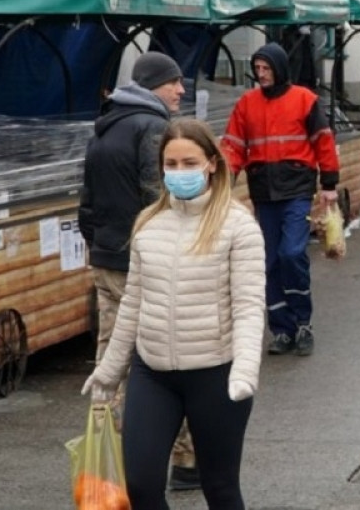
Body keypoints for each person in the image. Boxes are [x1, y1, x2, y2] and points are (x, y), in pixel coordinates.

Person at [81, 118, 266, 510]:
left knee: (220, 487)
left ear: (212, 164)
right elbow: (132, 304)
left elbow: (249, 306)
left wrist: (245, 370)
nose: (179, 172)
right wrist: (109, 372)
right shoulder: (148, 224)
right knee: (140, 484)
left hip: (216, 374)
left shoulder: (238, 226)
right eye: (171, 164)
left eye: (189, 163)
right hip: (153, 373)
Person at [77, 51, 202, 491]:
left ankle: (107, 464)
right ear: (152, 85)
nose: (181, 90)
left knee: (110, 364)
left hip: (107, 261)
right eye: (173, 82)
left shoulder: (104, 127)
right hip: (145, 267)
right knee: (172, 361)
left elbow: (86, 204)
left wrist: (101, 246)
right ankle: (186, 461)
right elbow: (160, 199)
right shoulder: (153, 129)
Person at [221, 41, 340, 355]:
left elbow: (323, 141)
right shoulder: (247, 104)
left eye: (266, 68)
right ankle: (282, 330)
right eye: (257, 68)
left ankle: (303, 323)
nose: (261, 74)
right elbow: (232, 146)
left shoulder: (305, 100)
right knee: (270, 261)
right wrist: (223, 183)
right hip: (264, 193)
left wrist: (329, 183)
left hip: (296, 190)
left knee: (291, 253)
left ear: (280, 68)